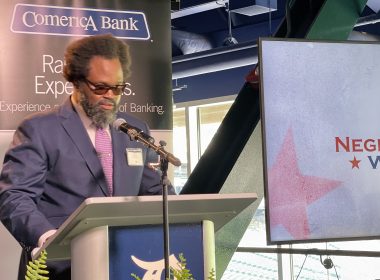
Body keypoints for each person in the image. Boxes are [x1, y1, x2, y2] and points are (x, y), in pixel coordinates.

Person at [0, 34, 175, 280]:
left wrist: (179, 219)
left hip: (125, 262)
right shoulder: (39, 129)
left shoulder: (135, 130)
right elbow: (14, 197)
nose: (110, 96)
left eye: (118, 88)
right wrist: (47, 237)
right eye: (100, 87)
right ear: (77, 81)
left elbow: (154, 190)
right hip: (60, 267)